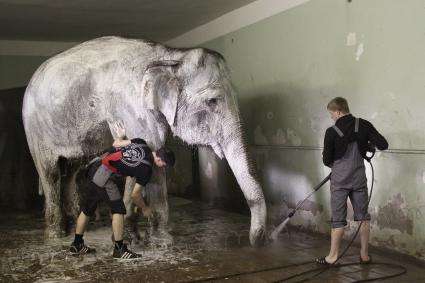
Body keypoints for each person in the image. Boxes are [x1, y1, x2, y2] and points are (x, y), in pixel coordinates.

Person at [69, 123, 175, 260]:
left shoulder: (141, 142)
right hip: (104, 175)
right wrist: (144, 208)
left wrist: (120, 135)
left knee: (87, 209)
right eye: (164, 165)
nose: (163, 168)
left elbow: (117, 144)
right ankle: (119, 249)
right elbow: (135, 195)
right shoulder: (147, 169)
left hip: (94, 167)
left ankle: (77, 244)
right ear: (159, 159)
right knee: (118, 209)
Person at [317, 97, 388, 265]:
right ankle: (364, 255)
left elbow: (326, 159)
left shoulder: (332, 131)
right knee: (363, 218)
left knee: (338, 220)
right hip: (358, 179)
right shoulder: (364, 125)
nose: (331, 117)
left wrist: (338, 165)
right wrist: (368, 144)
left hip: (339, 181)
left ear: (339, 111)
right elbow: (383, 144)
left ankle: (332, 258)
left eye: (331, 114)